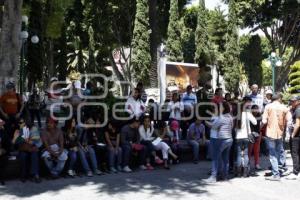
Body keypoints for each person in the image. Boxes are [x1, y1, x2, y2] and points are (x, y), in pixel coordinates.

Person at [262, 93, 289, 181]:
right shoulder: (284, 107)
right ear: (279, 99)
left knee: (273, 154)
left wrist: (260, 128)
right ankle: (280, 168)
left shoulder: (268, 107)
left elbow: (264, 121)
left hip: (270, 133)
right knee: (280, 151)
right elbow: (289, 120)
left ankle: (276, 174)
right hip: (280, 133)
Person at [205, 101, 234, 183]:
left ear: (223, 108)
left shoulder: (221, 117)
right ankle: (224, 176)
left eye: (220, 107)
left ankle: (213, 177)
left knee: (215, 158)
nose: (218, 108)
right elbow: (232, 127)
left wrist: (206, 122)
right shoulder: (230, 117)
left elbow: (213, 126)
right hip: (229, 139)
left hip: (219, 139)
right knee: (225, 159)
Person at [12, 119, 42, 183]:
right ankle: (23, 175)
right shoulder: (18, 131)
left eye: (22, 123)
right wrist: (15, 138)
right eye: (19, 123)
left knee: (34, 155)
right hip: (23, 149)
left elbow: (35, 142)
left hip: (32, 148)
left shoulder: (33, 129)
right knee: (23, 156)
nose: (20, 124)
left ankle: (35, 175)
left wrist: (29, 142)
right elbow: (14, 143)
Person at [0, 81, 25, 151]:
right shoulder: (4, 96)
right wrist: (3, 114)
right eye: (8, 88)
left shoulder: (17, 95)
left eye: (10, 88)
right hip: (7, 116)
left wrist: (19, 113)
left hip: (16, 115)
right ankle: (8, 147)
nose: (9, 89)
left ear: (13, 88)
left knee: (18, 130)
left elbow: (23, 104)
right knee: (7, 131)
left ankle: (17, 146)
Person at [235, 98, 257, 177]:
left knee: (238, 154)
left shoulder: (236, 113)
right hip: (246, 136)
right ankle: (245, 172)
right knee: (246, 155)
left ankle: (238, 172)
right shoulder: (247, 113)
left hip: (238, 136)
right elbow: (255, 122)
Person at [286, 95, 300, 180]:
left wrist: (293, 134)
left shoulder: (298, 110)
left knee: (295, 154)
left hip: (297, 136)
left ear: (298, 101)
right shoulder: (295, 109)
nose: (291, 102)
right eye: (291, 101)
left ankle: (295, 172)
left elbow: (298, 124)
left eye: (293, 101)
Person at [248, 104, 262, 171]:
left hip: (258, 134)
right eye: (255, 109)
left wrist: (260, 132)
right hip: (251, 134)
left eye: (257, 109)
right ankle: (248, 164)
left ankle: (257, 164)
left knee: (257, 151)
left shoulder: (259, 116)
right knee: (249, 151)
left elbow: (261, 124)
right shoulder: (250, 116)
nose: (256, 110)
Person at [0, 119, 8, 185]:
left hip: (2, 151)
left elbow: (7, 144)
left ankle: (2, 178)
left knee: (3, 159)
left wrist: (4, 150)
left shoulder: (3, 132)